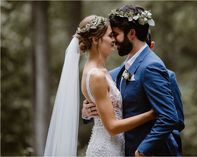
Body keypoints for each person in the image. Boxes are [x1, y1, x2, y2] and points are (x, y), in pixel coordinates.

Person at [44, 15, 156, 156]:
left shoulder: (102, 72)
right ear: (96, 40)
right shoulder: (96, 75)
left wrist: (87, 112)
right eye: (110, 36)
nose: (114, 40)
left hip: (115, 147)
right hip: (106, 150)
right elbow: (112, 127)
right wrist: (152, 114)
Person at [82, 5, 184, 156]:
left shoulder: (151, 67)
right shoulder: (114, 74)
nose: (114, 40)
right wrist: (87, 112)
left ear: (131, 34)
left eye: (115, 34)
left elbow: (171, 118)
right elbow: (113, 111)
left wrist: (142, 151)